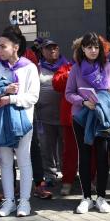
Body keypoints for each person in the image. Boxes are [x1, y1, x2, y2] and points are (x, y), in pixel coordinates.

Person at [0, 27, 40, 217]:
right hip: (0, 121)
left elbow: (33, 97)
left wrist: (12, 99)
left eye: (2, 46)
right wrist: (3, 92)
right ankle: (9, 201)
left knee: (24, 160)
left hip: (23, 121)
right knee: (5, 162)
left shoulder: (29, 67)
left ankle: (24, 201)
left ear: (15, 47)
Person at [65, 32, 110, 215]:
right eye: (89, 47)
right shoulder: (76, 69)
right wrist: (83, 102)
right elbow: (68, 93)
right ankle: (86, 197)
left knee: (102, 156)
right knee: (85, 155)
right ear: (83, 49)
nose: (93, 50)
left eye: (96, 47)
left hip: (102, 118)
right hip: (81, 117)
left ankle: (101, 197)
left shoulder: (109, 67)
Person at [36, 39, 68, 185]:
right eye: (48, 48)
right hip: (45, 116)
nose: (52, 50)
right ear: (42, 51)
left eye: (55, 47)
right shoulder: (37, 68)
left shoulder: (68, 66)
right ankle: (49, 174)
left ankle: (67, 173)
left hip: (64, 116)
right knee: (46, 148)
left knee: (65, 147)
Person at [52, 39, 80, 196]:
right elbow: (56, 84)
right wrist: (71, 73)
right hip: (69, 119)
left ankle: (90, 181)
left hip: (89, 117)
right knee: (69, 151)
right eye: (77, 51)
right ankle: (68, 181)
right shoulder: (67, 68)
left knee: (91, 152)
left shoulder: (94, 68)